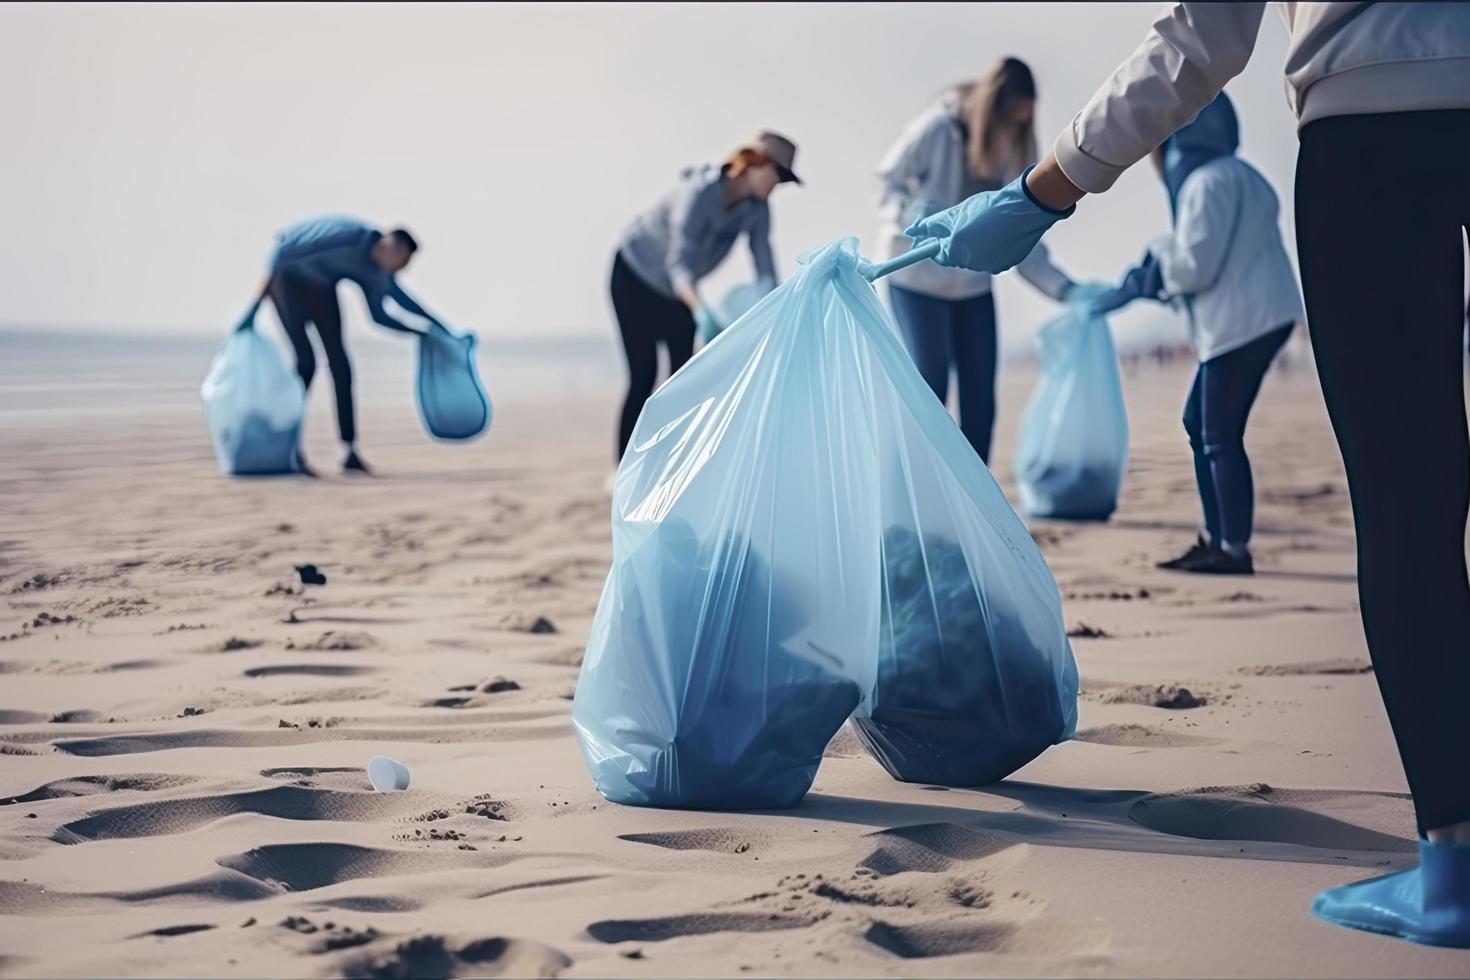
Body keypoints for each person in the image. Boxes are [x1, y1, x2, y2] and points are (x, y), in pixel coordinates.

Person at [903, 1, 1470, 948]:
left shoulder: (1218, 180)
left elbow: (1199, 38)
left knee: (1408, 505)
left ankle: (1454, 866)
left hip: (1372, 130)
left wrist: (1040, 195)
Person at [1092, 92, 1302, 575]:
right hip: (1264, 316)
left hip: (1240, 323)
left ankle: (1233, 550)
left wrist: (1149, 277)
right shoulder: (1246, 175)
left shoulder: (1204, 185)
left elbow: (1195, 267)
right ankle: (1217, 538)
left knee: (1219, 433)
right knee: (1200, 424)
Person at [876, 58, 1080, 464]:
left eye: (1021, 125)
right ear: (992, 109)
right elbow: (885, 183)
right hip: (916, 280)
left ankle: (975, 506)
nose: (1012, 133)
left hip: (971, 286)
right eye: (1008, 121)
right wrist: (912, 214)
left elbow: (1022, 231)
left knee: (980, 400)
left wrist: (1066, 289)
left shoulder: (1016, 149)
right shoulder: (936, 130)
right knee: (930, 390)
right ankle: (923, 496)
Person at [610, 131, 797, 461]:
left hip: (679, 294)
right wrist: (700, 311)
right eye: (778, 174)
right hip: (635, 277)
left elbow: (764, 261)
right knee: (644, 375)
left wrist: (778, 309)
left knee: (683, 381)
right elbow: (678, 262)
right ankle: (622, 468)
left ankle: (667, 463)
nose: (779, 185)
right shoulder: (698, 193)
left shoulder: (757, 210)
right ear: (755, 163)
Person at [245, 215, 443, 476]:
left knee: (341, 366)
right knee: (306, 364)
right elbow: (281, 253)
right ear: (391, 246)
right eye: (402, 263)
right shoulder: (347, 238)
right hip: (287, 281)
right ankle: (289, 448)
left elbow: (384, 312)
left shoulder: (374, 269)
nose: (399, 272)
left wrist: (431, 329)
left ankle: (349, 451)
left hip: (322, 287)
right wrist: (255, 304)